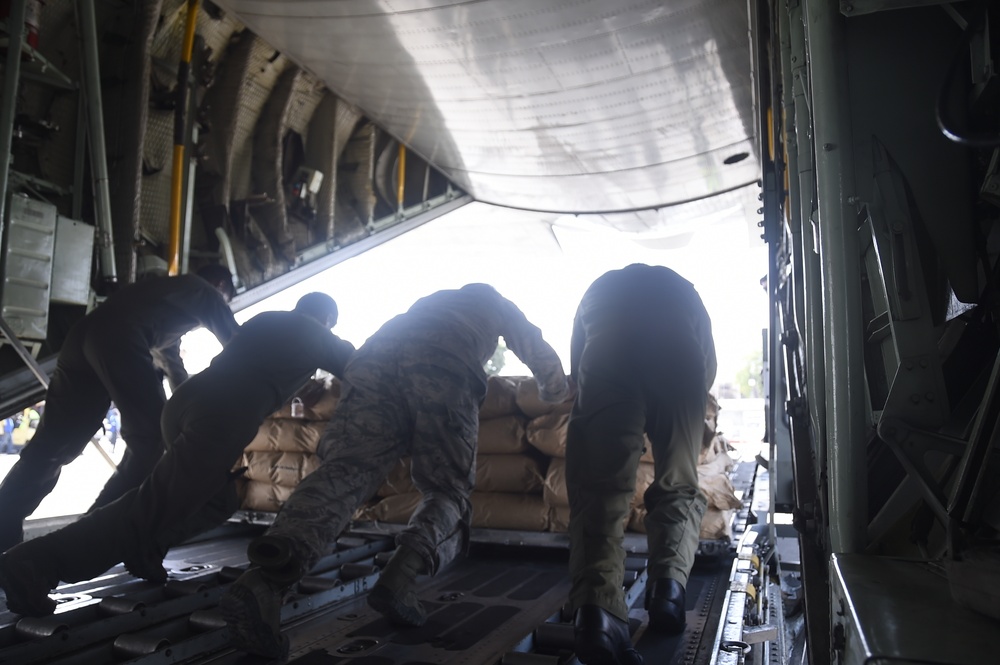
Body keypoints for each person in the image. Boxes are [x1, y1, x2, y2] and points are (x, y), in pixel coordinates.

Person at [221, 283, 570, 659]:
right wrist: (557, 393)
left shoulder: (424, 305)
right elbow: (535, 348)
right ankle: (399, 579)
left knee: (345, 472)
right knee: (447, 489)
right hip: (443, 363)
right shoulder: (493, 302)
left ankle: (265, 580)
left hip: (371, 364)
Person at [0, 293, 355, 617]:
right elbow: (363, 367)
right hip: (222, 415)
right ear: (326, 319)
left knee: (220, 498)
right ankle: (36, 566)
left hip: (187, 401)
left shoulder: (267, 319)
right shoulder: (319, 334)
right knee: (149, 509)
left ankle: (147, 549)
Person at [0, 265, 240, 553]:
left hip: (84, 337)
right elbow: (239, 344)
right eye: (225, 299)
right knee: (150, 440)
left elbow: (174, 368)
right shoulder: (204, 290)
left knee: (54, 446)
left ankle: (4, 526)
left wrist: (187, 408)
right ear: (221, 285)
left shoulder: (166, 300)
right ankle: (85, 539)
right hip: (117, 337)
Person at [565, 264, 716, 665]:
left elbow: (578, 366)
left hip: (606, 355)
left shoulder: (597, 288)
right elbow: (708, 368)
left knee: (600, 489)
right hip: (680, 357)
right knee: (678, 480)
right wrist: (678, 407)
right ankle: (668, 590)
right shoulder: (684, 290)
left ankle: (598, 613)